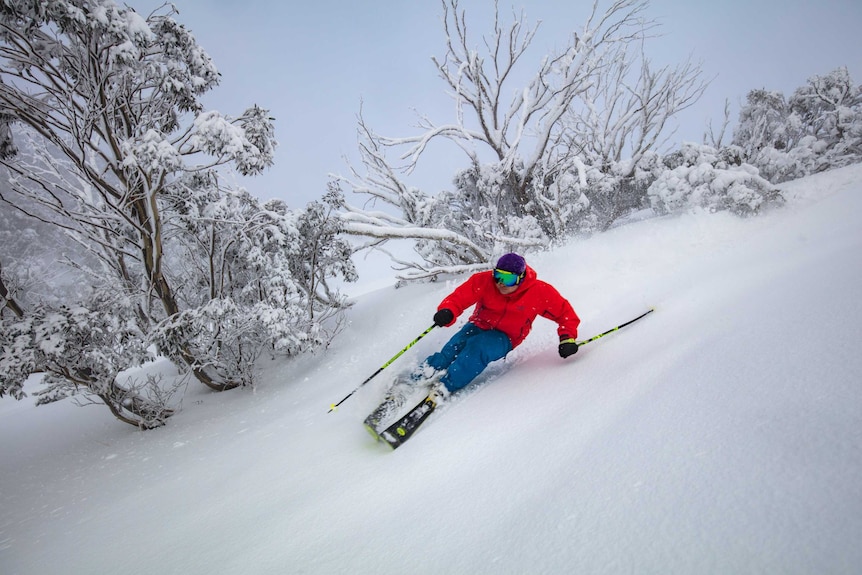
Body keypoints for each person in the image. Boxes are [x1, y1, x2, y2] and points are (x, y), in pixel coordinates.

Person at [368, 253, 580, 430]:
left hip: (505, 336)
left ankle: (446, 386)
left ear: (521, 278)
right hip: (478, 324)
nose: (500, 284)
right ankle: (416, 378)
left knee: (475, 351)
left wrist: (567, 338)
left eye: (507, 280)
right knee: (449, 352)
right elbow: (460, 297)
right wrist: (447, 311)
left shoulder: (539, 292)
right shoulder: (484, 281)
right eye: (498, 276)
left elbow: (565, 314)